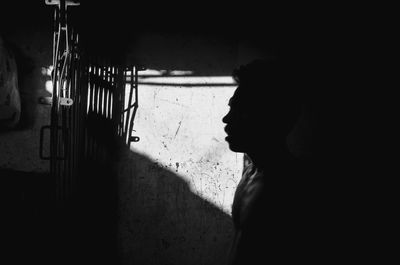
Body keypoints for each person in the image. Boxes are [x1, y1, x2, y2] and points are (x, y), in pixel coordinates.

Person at [222, 59, 313, 264]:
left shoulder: (292, 186)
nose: (226, 119)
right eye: (231, 108)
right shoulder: (250, 171)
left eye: (239, 110)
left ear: (268, 116)